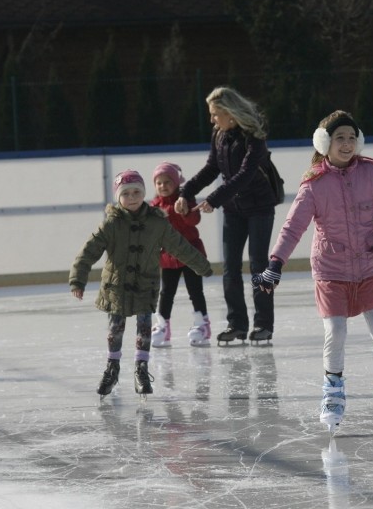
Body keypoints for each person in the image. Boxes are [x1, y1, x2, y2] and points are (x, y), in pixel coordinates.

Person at [251, 110, 373, 434]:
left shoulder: (371, 173)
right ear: (324, 143)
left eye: (351, 137)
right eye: (339, 138)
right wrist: (275, 263)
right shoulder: (314, 185)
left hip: (367, 267)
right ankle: (333, 392)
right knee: (337, 334)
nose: (346, 144)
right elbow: (293, 228)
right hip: (331, 271)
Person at [70, 170, 213, 398]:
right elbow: (88, 251)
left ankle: (141, 369)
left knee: (144, 329)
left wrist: (201, 265)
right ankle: (112, 368)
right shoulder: (111, 224)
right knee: (115, 330)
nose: (133, 197)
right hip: (116, 286)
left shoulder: (157, 223)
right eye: (126, 193)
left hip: (145, 284)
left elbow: (180, 246)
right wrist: (78, 279)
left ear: (144, 193)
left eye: (137, 192)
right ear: (119, 197)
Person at [175, 86, 280, 345]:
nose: (212, 119)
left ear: (230, 113)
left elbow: (244, 175)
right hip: (233, 209)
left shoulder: (255, 137)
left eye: (215, 114)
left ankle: (263, 325)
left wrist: (213, 199)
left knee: (258, 265)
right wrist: (185, 192)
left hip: (259, 207)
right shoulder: (219, 134)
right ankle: (237, 324)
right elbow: (212, 168)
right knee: (230, 268)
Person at [149, 161, 212, 348]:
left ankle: (202, 325)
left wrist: (184, 212)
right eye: (159, 183)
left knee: (195, 291)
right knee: (166, 293)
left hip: (190, 254)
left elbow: (194, 220)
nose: (163, 186)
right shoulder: (154, 206)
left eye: (167, 182)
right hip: (168, 258)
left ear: (176, 183)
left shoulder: (185, 199)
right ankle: (162, 327)